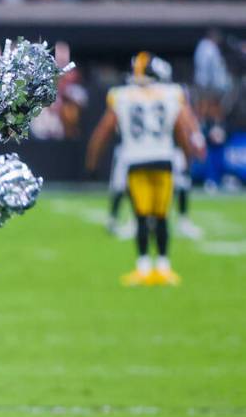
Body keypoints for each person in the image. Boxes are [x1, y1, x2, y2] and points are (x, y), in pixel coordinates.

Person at [85, 52, 203, 286]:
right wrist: (188, 156)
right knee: (161, 216)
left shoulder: (121, 96)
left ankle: (143, 266)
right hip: (163, 159)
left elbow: (103, 131)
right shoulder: (172, 94)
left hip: (135, 160)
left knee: (141, 216)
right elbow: (181, 129)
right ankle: (163, 266)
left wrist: (92, 161)